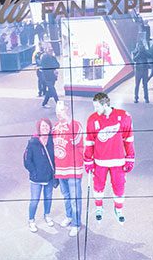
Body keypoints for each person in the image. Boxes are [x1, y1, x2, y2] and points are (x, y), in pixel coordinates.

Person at [84, 92, 135, 223]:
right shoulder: (92, 119)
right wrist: (88, 160)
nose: (95, 110)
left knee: (119, 185)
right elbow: (89, 141)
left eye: (97, 107)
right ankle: (99, 208)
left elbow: (129, 139)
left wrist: (130, 157)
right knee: (98, 185)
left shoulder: (123, 116)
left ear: (105, 104)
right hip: (100, 161)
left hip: (118, 161)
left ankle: (118, 209)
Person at [52, 101, 84, 237]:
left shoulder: (75, 125)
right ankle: (69, 216)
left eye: (61, 110)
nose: (59, 113)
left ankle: (76, 224)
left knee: (75, 198)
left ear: (67, 111)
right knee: (66, 196)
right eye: (57, 111)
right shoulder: (55, 128)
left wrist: (68, 120)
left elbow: (77, 140)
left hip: (73, 169)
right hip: (60, 169)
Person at [24, 118, 56, 233]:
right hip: (36, 179)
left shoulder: (52, 140)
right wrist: (34, 172)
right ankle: (31, 220)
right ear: (39, 128)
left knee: (48, 198)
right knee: (34, 200)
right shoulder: (33, 142)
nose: (45, 128)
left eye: (47, 126)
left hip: (49, 177)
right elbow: (27, 160)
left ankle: (47, 215)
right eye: (43, 126)